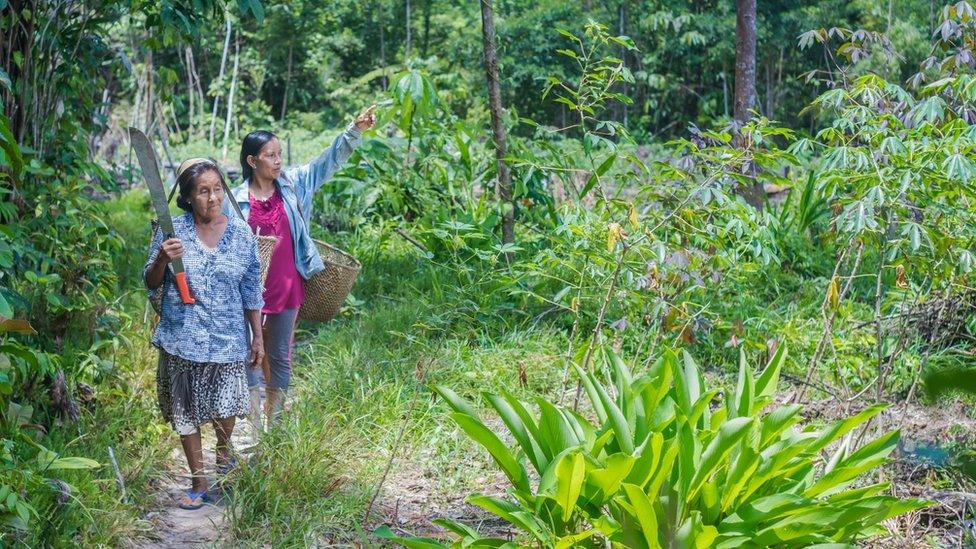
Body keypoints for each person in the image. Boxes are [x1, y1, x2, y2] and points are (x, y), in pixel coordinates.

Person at [229, 106, 376, 431]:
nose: (278, 160)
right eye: (270, 155)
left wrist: (354, 130)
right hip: (247, 292)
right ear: (252, 161)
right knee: (249, 355)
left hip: (287, 286)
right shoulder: (235, 199)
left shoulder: (292, 185)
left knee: (279, 355)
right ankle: (251, 431)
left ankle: (275, 426)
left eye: (280, 154)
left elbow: (327, 162)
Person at [145, 158, 265, 510]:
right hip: (182, 338)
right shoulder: (171, 232)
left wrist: (256, 337)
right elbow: (149, 283)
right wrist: (162, 261)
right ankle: (198, 481)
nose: (213, 198)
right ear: (187, 198)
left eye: (217, 190)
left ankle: (224, 458)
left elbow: (251, 290)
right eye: (203, 192)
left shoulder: (241, 233)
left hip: (227, 339)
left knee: (225, 406)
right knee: (184, 410)